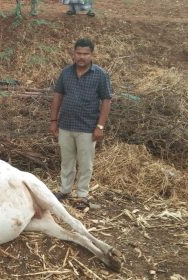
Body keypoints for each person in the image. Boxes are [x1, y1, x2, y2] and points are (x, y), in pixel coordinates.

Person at [50, 38, 112, 209]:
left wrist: (100, 126)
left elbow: (106, 100)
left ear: (92, 55)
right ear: (74, 53)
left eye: (85, 54)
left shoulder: (100, 75)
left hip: (87, 127)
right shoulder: (66, 73)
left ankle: (82, 195)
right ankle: (64, 190)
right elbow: (58, 96)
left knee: (85, 163)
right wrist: (54, 120)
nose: (81, 57)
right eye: (78, 53)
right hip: (66, 125)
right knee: (67, 161)